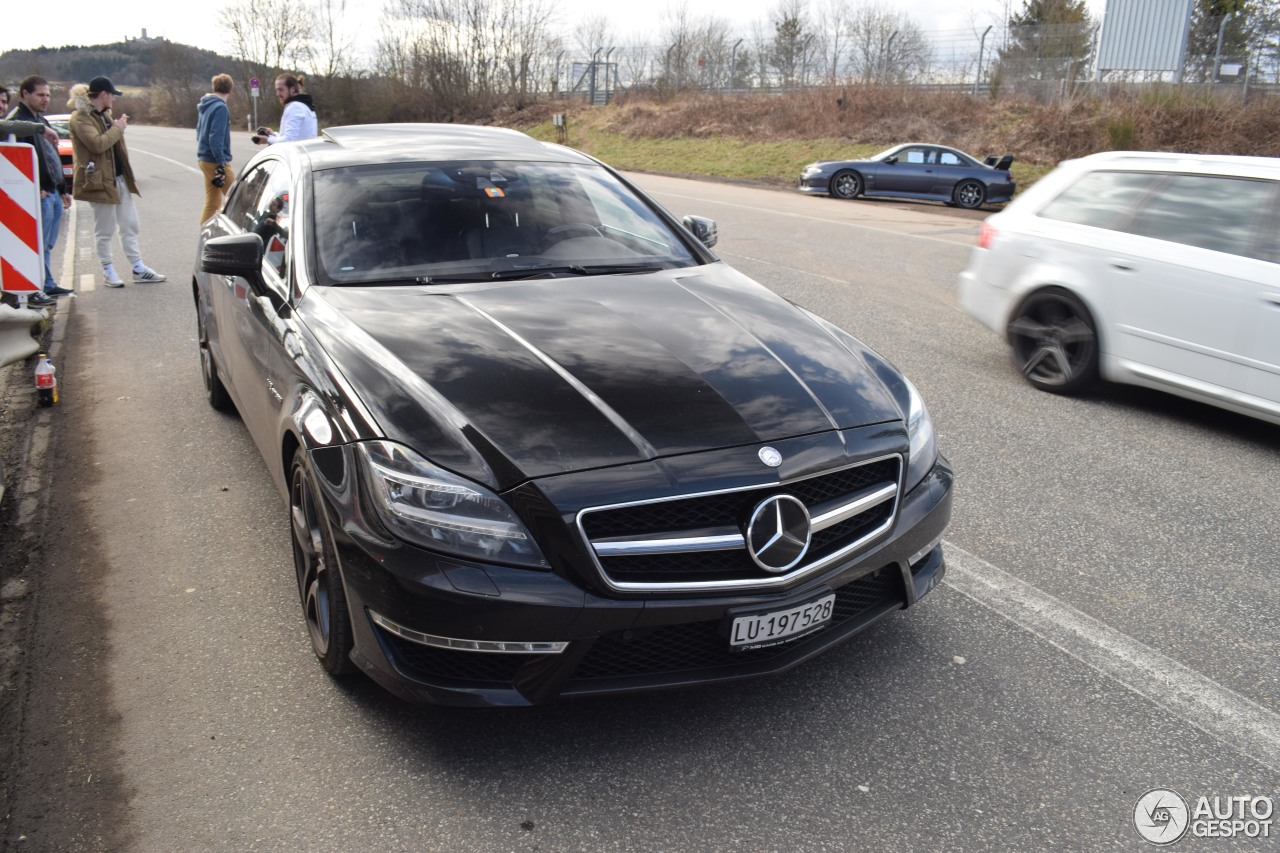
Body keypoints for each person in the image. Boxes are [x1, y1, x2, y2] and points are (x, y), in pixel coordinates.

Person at [68, 76, 165, 288]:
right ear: (103, 95)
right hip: (99, 182)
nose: (114, 98)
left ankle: (138, 268)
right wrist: (118, 128)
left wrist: (116, 126)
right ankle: (108, 270)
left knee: (130, 224)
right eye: (112, 94)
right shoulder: (80, 118)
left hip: (117, 179)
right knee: (105, 229)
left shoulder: (104, 116)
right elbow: (97, 144)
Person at [7, 76, 74, 300]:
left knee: (47, 243)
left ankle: (47, 283)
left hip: (52, 190)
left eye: (48, 95)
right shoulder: (18, 124)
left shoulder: (40, 120)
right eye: (40, 95)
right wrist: (36, 188)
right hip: (40, 192)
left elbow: (52, 157)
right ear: (25, 94)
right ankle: (39, 287)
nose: (46, 99)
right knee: (38, 243)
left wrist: (63, 188)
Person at [196, 73, 235, 223]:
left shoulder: (206, 105)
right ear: (230, 90)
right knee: (237, 197)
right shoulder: (220, 108)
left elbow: (199, 132)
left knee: (212, 203)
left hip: (204, 158)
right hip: (214, 161)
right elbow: (215, 138)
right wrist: (221, 163)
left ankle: (204, 237)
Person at [251, 73, 317, 145]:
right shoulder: (305, 106)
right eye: (277, 90)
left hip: (297, 154)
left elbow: (289, 140)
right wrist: (273, 134)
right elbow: (293, 136)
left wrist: (268, 139)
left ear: (292, 89)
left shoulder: (295, 107)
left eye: (281, 90)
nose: (278, 94)